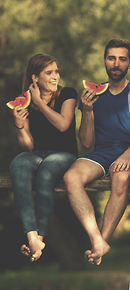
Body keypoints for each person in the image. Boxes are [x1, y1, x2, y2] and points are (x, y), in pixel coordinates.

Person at [63, 38, 130, 265]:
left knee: (121, 177)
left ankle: (102, 242)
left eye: (122, 59)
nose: (116, 63)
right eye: (112, 58)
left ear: (129, 63)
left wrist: (129, 153)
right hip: (101, 152)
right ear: (104, 62)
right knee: (71, 177)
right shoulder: (92, 96)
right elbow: (87, 142)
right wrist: (87, 110)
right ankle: (96, 239)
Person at [10, 54, 78, 262]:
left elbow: (63, 125)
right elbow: (28, 145)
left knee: (47, 170)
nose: (55, 76)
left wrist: (40, 102)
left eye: (56, 71)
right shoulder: (26, 100)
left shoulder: (68, 93)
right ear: (35, 78)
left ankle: (39, 237)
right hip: (37, 154)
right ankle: (31, 236)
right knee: (18, 163)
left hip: (64, 155)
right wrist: (20, 126)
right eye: (49, 73)